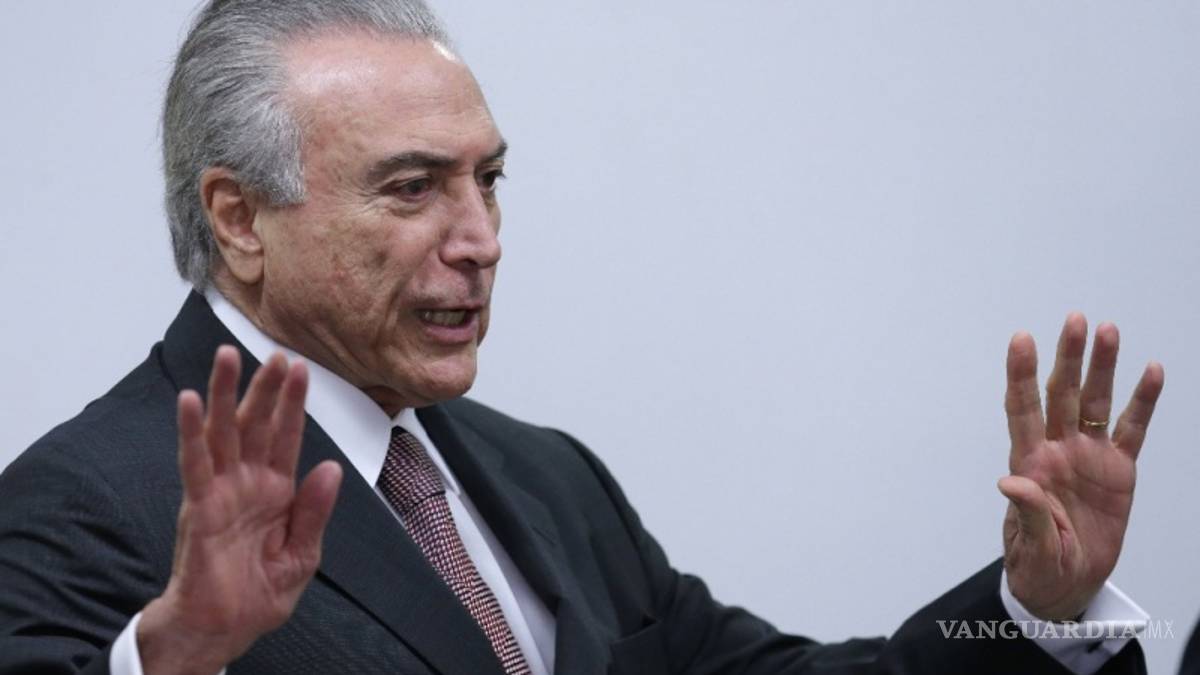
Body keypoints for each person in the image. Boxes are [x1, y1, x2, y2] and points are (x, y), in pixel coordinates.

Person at [0, 1, 1166, 673]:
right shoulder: (83, 503)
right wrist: (174, 658)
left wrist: (1034, 606)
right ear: (239, 218)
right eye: (412, 189)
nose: (481, 240)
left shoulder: (545, 476)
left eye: (489, 181)